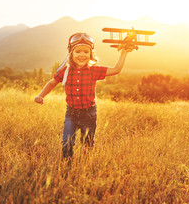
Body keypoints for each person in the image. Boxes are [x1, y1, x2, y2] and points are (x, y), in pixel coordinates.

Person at [34, 32, 133, 163]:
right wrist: (41, 95)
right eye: (78, 51)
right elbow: (51, 83)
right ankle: (66, 167)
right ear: (71, 54)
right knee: (67, 142)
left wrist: (124, 53)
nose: (82, 55)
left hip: (89, 114)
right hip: (71, 114)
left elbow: (116, 70)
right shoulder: (66, 71)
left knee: (87, 144)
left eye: (86, 52)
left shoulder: (94, 70)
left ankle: (85, 167)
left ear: (91, 54)